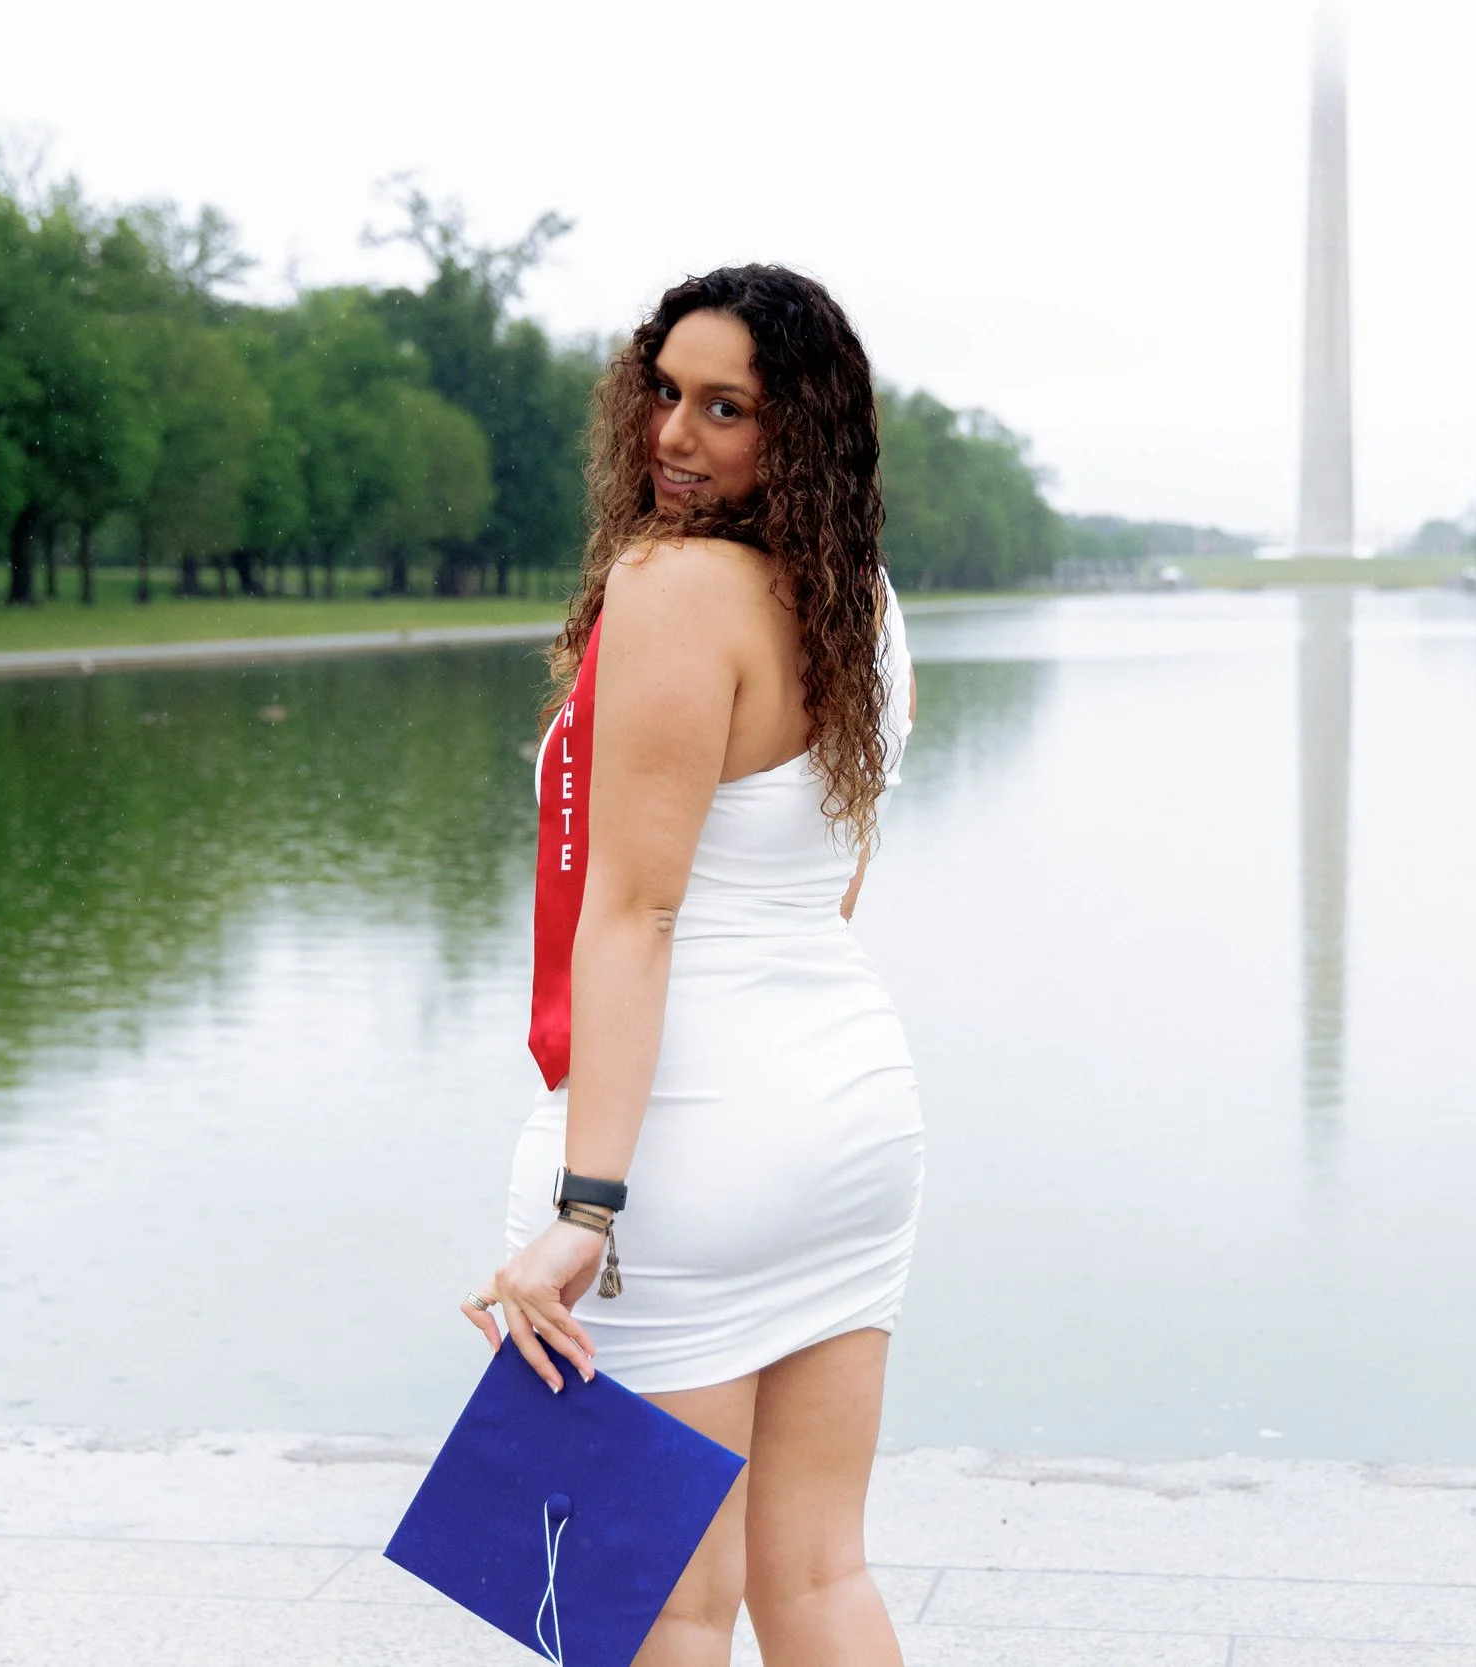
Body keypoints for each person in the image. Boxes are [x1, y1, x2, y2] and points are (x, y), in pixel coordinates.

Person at [462, 265, 922, 1667]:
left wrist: (582, 1208)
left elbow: (636, 912)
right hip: (849, 1119)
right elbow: (831, 876)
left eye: (728, 407)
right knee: (821, 1575)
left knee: (653, 1603)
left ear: (802, 428)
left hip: (685, 1142)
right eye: (664, 392)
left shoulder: (672, 587)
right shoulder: (862, 602)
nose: (673, 434)